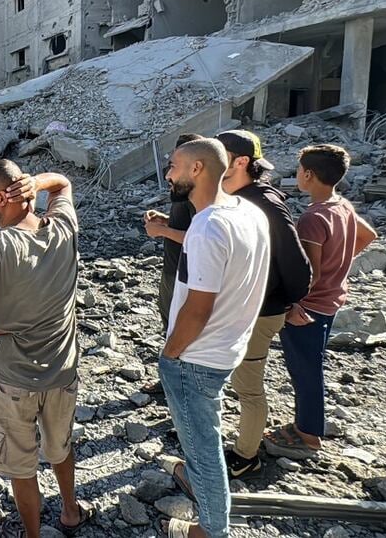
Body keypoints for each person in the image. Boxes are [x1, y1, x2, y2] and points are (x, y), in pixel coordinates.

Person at [0, 160, 95, 538]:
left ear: (2, 197)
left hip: (13, 378)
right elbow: (62, 185)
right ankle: (70, 512)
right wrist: (37, 182)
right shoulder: (64, 228)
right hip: (62, 373)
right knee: (60, 447)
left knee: (20, 465)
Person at [159, 139, 269, 538]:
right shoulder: (248, 211)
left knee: (204, 447)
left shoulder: (207, 226)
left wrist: (170, 354)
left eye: (173, 166)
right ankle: (203, 487)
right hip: (228, 347)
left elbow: (197, 308)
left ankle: (210, 529)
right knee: (205, 432)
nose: (168, 174)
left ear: (197, 169)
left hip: (195, 357)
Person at [264, 144, 377, 458]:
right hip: (331, 300)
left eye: (300, 170)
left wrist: (292, 304)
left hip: (310, 307)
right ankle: (306, 425)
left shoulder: (313, 218)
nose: (298, 175)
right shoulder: (340, 205)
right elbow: (368, 236)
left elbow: (307, 274)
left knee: (305, 370)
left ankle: (308, 434)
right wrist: (337, 265)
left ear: (308, 175)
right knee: (310, 366)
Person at [215, 130, 312, 479]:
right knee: (241, 381)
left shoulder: (263, 203)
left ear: (241, 162)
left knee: (249, 386)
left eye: (219, 154)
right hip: (246, 308)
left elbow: (297, 264)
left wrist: (289, 300)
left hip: (260, 311)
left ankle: (246, 457)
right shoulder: (239, 195)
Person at [142, 133, 203, 394]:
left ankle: (182, 386)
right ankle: (171, 380)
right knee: (169, 324)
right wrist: (167, 221)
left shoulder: (198, 194)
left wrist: (164, 233)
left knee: (182, 330)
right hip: (172, 268)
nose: (169, 172)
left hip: (186, 274)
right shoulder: (181, 189)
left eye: (175, 165)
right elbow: (189, 226)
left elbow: (203, 237)